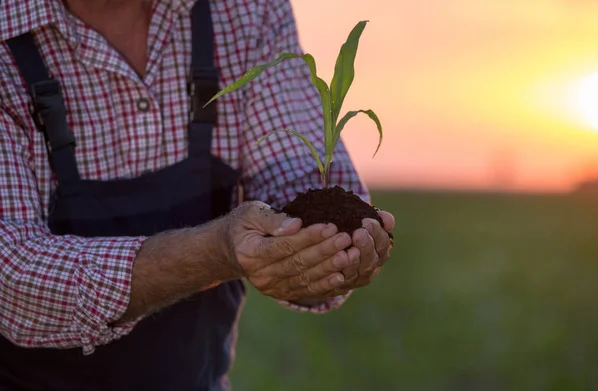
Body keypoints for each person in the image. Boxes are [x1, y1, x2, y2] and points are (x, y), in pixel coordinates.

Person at [0, 0, 395, 390]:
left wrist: (318, 252)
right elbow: (12, 280)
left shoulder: (245, 10)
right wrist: (215, 250)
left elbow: (292, 173)